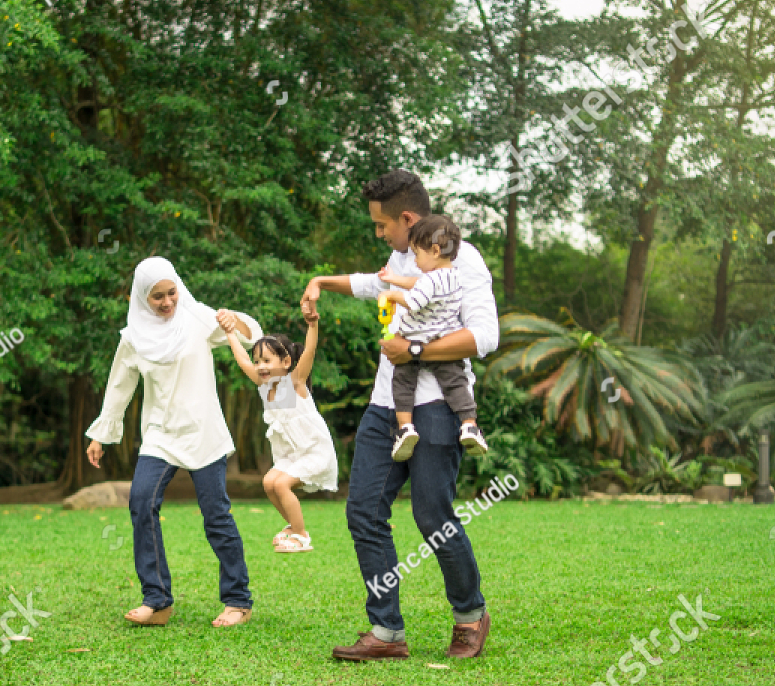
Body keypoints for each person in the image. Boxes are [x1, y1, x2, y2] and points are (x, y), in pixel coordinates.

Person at [300, 169, 498, 661]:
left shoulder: (462, 260)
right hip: (385, 405)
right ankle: (386, 632)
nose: (379, 233)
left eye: (381, 225)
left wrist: (412, 349)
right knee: (364, 511)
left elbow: (484, 336)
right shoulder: (403, 255)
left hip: (437, 407)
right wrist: (322, 281)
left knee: (433, 516)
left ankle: (470, 614)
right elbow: (376, 284)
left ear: (407, 219)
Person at [86, 257, 263, 628]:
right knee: (140, 501)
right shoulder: (132, 337)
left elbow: (252, 335)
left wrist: (236, 321)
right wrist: (102, 433)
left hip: (203, 431)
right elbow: (120, 384)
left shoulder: (197, 318)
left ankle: (238, 600)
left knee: (216, 516)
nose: (167, 302)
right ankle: (158, 600)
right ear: (141, 298)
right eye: (157, 297)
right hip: (160, 434)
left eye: (171, 293)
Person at [218, 308, 338, 553]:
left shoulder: (294, 383)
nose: (260, 366)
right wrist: (230, 333)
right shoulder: (264, 386)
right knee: (269, 482)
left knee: (281, 484)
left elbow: (310, 351)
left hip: (314, 451)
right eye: (258, 361)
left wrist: (312, 326)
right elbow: (242, 360)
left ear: (285, 362)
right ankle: (293, 526)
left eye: (266, 361)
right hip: (292, 455)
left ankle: (301, 534)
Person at [376, 213, 489, 462]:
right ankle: (469, 425)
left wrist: (393, 295)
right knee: (455, 384)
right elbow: (418, 283)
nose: (415, 261)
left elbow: (416, 300)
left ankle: (405, 429)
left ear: (435, 250)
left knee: (402, 384)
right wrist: (394, 279)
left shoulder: (429, 281)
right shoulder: (452, 275)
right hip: (441, 342)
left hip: (415, 341)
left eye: (417, 254)